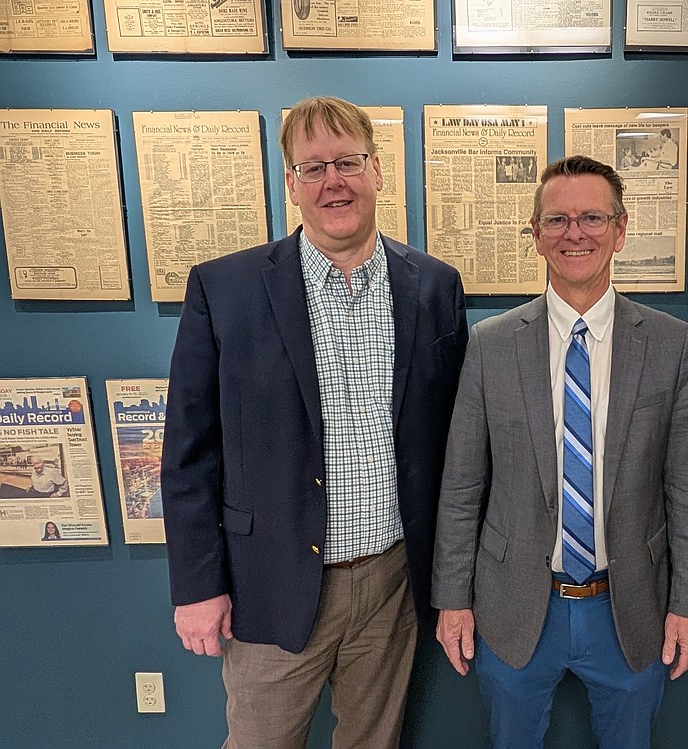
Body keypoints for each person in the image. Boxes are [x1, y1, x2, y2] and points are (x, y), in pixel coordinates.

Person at [161, 96, 469, 749]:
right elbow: (189, 455)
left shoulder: (435, 287)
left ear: (378, 171)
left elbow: (453, 442)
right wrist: (197, 587)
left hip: (391, 582)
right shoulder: (227, 290)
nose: (334, 181)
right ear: (291, 184)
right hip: (270, 583)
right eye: (314, 167)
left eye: (348, 162)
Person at [433, 155, 688, 748]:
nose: (575, 233)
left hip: (630, 605)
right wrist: (453, 600)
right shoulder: (491, 345)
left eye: (592, 217)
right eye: (557, 220)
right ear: (536, 235)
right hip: (514, 608)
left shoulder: (670, 344)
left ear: (621, 228)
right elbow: (462, 486)